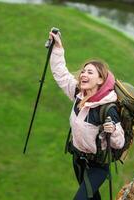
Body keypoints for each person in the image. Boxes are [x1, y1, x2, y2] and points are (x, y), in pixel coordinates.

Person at [49, 30, 125, 200]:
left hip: (98, 166)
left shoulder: (107, 108)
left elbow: (119, 143)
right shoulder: (78, 94)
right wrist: (58, 48)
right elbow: (60, 74)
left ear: (100, 80)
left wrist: (112, 129)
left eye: (90, 72)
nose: (83, 74)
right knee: (91, 198)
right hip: (78, 160)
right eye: (83, 71)